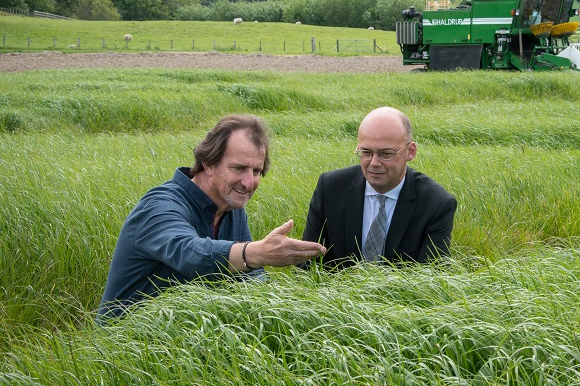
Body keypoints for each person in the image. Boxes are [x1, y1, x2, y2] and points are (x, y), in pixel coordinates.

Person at [98, 114, 326, 321]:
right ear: (208, 163)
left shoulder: (232, 209)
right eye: (239, 168)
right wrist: (256, 253)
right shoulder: (160, 206)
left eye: (256, 172)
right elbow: (189, 253)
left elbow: (250, 281)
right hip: (123, 348)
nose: (249, 183)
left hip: (186, 342)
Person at [301, 107, 457, 269]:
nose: (374, 163)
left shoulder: (436, 204)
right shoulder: (330, 189)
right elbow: (308, 266)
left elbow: (430, 279)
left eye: (386, 154)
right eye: (366, 152)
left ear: (410, 152)